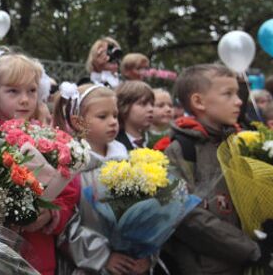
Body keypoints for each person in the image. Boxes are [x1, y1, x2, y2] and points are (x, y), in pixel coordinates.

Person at [0, 50, 79, 275]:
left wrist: (50, 214)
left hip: (39, 254)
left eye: (31, 91)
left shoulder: (49, 138)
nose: (25, 99)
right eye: (13, 91)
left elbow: (69, 193)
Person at [162, 64, 261, 274]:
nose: (239, 101)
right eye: (228, 94)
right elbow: (187, 217)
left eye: (238, 93)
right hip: (209, 267)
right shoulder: (180, 151)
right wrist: (250, 249)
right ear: (198, 101)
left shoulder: (244, 143)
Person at [53, 83, 151, 274]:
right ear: (78, 122)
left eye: (115, 115)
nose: (113, 122)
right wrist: (103, 256)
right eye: (102, 116)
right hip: (88, 266)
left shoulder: (128, 160)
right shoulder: (71, 167)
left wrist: (145, 252)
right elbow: (65, 224)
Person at [115, 81, 154, 152]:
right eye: (143, 104)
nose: (151, 109)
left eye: (152, 104)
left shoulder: (154, 141)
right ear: (124, 106)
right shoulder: (115, 144)